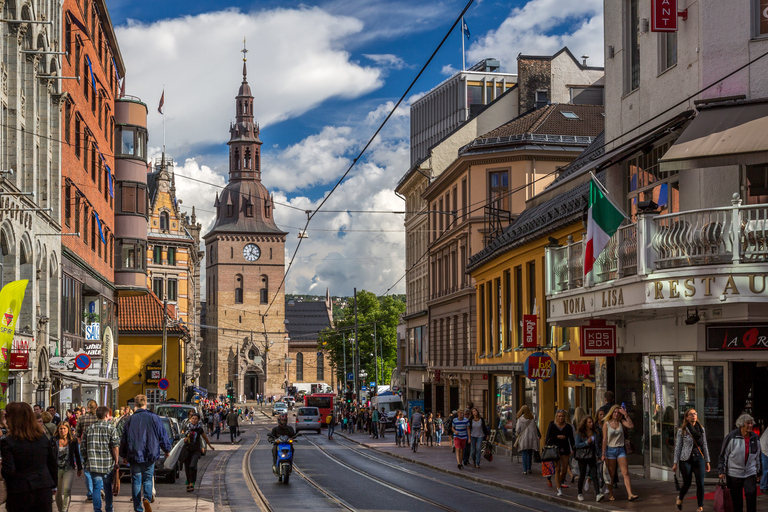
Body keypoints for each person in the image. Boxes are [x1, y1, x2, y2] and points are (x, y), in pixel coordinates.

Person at [1, 402, 57, 512]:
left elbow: (9, 471)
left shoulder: (8, 442)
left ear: (14, 418)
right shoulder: (42, 438)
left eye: (7, 416)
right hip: (43, 489)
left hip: (20, 492)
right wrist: (53, 484)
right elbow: (52, 463)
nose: (5, 419)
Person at [120, 394, 172, 512]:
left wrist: (123, 455)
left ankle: (138, 508)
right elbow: (162, 435)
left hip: (134, 454)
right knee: (148, 478)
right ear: (146, 403)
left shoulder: (130, 420)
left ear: (135, 404)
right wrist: (166, 449)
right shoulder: (154, 417)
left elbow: (124, 438)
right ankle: (147, 498)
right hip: (150, 452)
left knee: (136, 480)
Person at [718, 413, 762, 512]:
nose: (751, 425)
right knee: (736, 499)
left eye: (751, 423)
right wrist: (721, 470)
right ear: (741, 425)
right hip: (734, 473)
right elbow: (723, 455)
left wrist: (759, 472)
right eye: (748, 423)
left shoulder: (755, 438)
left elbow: (758, 456)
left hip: (750, 472)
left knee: (751, 494)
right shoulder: (731, 437)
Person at [81, 407, 120, 512]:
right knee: (107, 488)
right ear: (107, 415)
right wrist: (116, 461)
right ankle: (109, 508)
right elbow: (115, 447)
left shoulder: (89, 429)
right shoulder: (111, 428)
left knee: (96, 488)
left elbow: (83, 447)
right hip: (107, 464)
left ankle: (97, 509)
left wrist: (85, 460)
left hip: (93, 464)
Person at [672, 408, 710, 512]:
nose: (694, 415)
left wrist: (707, 461)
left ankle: (700, 507)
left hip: (699, 458)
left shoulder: (701, 429)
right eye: (691, 414)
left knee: (700, 483)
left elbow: (704, 445)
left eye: (695, 414)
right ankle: (680, 498)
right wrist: (675, 463)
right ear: (687, 417)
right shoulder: (682, 430)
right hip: (686, 459)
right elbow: (678, 447)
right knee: (687, 483)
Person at [601, 404, 637, 501]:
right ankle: (611, 493)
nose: (616, 414)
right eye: (615, 412)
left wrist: (626, 414)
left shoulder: (621, 422)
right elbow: (604, 439)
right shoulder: (607, 424)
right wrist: (603, 453)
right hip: (610, 450)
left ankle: (630, 494)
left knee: (625, 472)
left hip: (621, 449)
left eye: (618, 412)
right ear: (612, 413)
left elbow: (631, 425)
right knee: (611, 474)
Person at [53, 421, 83, 512]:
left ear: (68, 429)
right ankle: (60, 509)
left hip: (68, 468)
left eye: (64, 428)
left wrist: (79, 467)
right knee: (58, 492)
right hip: (56, 469)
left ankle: (65, 509)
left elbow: (77, 454)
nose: (62, 430)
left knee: (67, 489)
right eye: (61, 428)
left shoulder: (72, 441)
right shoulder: (54, 440)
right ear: (58, 429)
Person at [546, 409, 575, 496]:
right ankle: (559, 488)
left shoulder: (568, 427)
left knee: (565, 469)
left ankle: (559, 481)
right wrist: (557, 436)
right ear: (556, 417)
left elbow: (571, 438)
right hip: (555, 449)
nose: (561, 418)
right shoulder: (552, 426)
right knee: (557, 468)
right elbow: (548, 438)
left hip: (565, 449)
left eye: (562, 416)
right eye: (559, 416)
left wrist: (573, 448)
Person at [182, 413, 214, 492]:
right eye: (193, 418)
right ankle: (189, 483)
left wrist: (209, 446)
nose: (194, 420)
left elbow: (204, 438)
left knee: (192, 465)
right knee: (187, 467)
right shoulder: (187, 427)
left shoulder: (199, 429)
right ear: (190, 419)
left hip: (196, 450)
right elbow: (182, 436)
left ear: (198, 420)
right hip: (187, 450)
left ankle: (192, 482)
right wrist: (184, 439)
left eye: (196, 419)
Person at [574, 416, 603, 502]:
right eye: (589, 422)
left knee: (594, 475)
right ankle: (579, 493)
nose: (591, 424)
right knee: (582, 475)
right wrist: (587, 442)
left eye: (592, 422)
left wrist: (599, 454)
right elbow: (577, 445)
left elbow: (597, 445)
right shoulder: (580, 433)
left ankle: (598, 494)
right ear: (585, 423)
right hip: (582, 456)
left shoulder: (595, 432)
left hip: (592, 455)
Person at [75, 399, 99, 502]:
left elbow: (77, 434)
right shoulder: (99, 418)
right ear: (96, 407)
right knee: (98, 470)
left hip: (85, 446)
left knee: (88, 471)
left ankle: (90, 493)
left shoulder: (82, 418)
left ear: (88, 408)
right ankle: (99, 491)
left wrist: (81, 443)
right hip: (98, 446)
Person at [515, 405, 539, 475]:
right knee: (529, 453)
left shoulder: (520, 420)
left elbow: (517, 429)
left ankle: (525, 470)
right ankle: (529, 468)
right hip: (531, 438)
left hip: (523, 438)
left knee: (524, 453)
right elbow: (534, 429)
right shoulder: (531, 419)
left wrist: (517, 434)